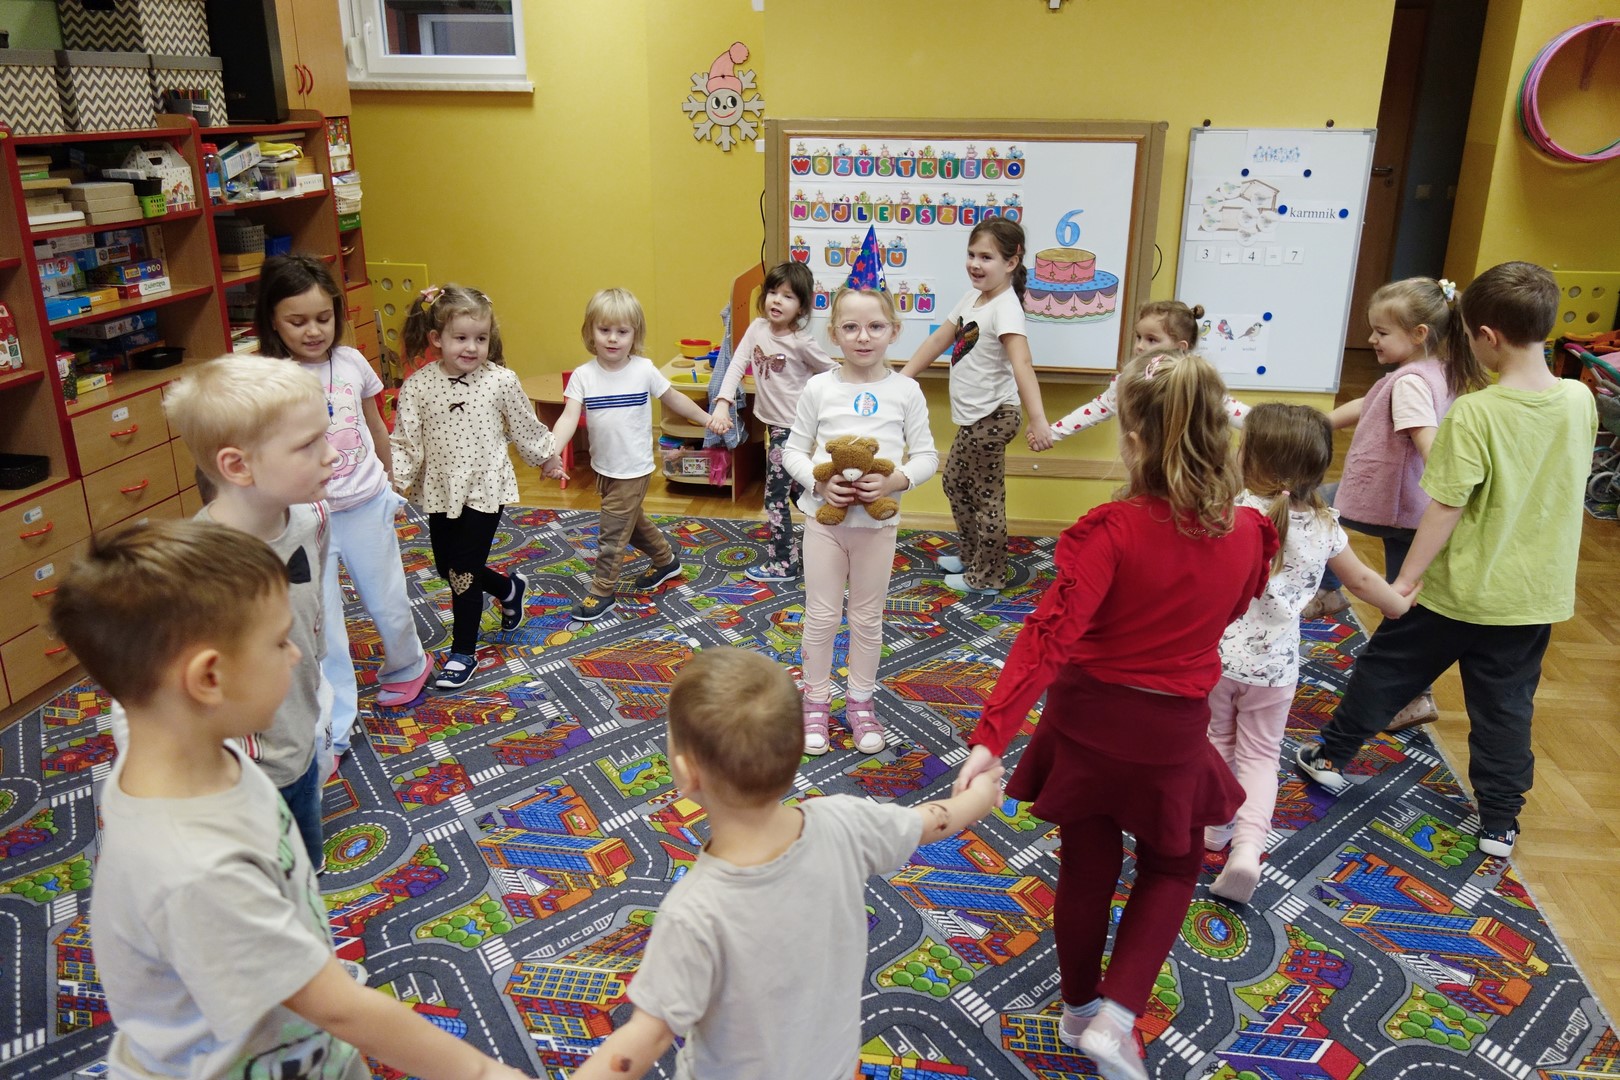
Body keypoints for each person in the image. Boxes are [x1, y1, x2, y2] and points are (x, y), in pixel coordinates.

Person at [56, 520, 530, 1080]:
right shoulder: (196, 871)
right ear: (209, 679)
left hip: (287, 1028)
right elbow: (338, 1008)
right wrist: (485, 1074)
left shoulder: (182, 741)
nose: (298, 655)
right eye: (280, 642)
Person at [952, 350, 1277, 1080]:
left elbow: (1048, 635)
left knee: (1087, 864)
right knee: (1174, 864)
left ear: (1132, 441)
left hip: (1083, 725)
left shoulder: (1110, 529)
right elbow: (1233, 610)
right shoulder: (1250, 533)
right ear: (1220, 434)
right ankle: (1118, 1016)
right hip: (1169, 734)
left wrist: (991, 736)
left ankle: (1076, 1009)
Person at [569, 647, 1005, 1080]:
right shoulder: (844, 821)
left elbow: (647, 1037)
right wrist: (979, 798)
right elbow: (927, 822)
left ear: (686, 773)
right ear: (797, 753)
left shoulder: (693, 913)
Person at [1296, 261, 1598, 859]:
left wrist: (1404, 582)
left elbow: (1446, 505)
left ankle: (1329, 755)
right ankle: (1500, 823)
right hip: (1532, 597)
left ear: (1486, 336)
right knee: (1506, 707)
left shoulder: (1476, 412)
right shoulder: (1579, 398)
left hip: (1455, 589)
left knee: (1386, 669)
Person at [1204, 404, 1412, 904]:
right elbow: (1362, 581)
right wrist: (1398, 603)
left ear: (1249, 459)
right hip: (1275, 670)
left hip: (1217, 660)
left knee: (1216, 740)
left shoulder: (1230, 512)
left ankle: (1214, 827)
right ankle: (1248, 849)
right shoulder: (1324, 525)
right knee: (1260, 756)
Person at [163, 356, 338, 867]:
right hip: (243, 769)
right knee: (259, 878)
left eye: (325, 436)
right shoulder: (197, 567)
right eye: (308, 445)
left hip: (301, 732)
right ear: (238, 466)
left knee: (305, 867)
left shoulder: (313, 516)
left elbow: (312, 600)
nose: (331, 455)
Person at [257, 254, 433, 751]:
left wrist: (393, 481)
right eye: (297, 321)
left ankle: (409, 665)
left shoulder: (352, 362)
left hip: (365, 504)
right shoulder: (269, 377)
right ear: (272, 320)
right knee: (323, 623)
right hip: (304, 516)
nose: (314, 331)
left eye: (323, 318)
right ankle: (333, 723)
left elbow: (375, 424)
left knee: (387, 600)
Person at [1303, 277, 1485, 730]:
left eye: (1381, 332)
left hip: (1394, 503)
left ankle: (1329, 593)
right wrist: (1317, 424)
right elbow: (1367, 403)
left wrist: (1449, 485)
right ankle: (1329, 592)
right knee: (1325, 513)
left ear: (1419, 333)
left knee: (1316, 512)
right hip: (1404, 504)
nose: (1371, 339)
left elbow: (1429, 443)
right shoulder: (1436, 370)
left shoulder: (1411, 383)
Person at [782, 281, 937, 755]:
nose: (863, 337)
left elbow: (927, 456)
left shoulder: (906, 391)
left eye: (875, 326)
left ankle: (860, 704)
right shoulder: (819, 387)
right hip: (824, 525)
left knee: (868, 619)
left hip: (877, 528)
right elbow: (793, 450)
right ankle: (815, 704)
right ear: (833, 333)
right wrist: (818, 485)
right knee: (821, 617)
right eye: (850, 327)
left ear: (894, 331)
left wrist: (895, 482)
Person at [393, 284, 565, 689]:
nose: (471, 347)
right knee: (446, 567)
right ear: (437, 338)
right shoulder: (418, 386)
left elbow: (524, 425)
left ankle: (463, 652)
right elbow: (405, 441)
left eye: (481, 338)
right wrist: (394, 484)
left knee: (463, 571)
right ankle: (509, 588)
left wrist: (548, 457)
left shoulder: (500, 380)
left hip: (486, 486)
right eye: (461, 338)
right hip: (441, 488)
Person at [899, 218, 1051, 594]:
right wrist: (904, 378)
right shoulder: (973, 298)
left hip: (995, 416)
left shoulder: (1005, 308)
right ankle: (973, 557)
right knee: (955, 483)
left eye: (986, 257)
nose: (975, 264)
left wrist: (1038, 419)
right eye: (971, 254)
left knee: (986, 498)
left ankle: (988, 575)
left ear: (1011, 262)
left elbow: (1023, 363)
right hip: (975, 418)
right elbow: (939, 339)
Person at [547, 287, 714, 622]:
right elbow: (568, 417)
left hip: (633, 469)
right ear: (589, 331)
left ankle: (602, 591)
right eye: (604, 330)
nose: (613, 338)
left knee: (612, 534)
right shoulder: (583, 376)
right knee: (630, 522)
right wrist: (550, 451)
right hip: (603, 468)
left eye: (622, 331)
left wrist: (707, 419)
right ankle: (666, 560)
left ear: (635, 334)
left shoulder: (643, 370)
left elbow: (675, 399)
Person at [707, 260, 838, 581]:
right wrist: (722, 404)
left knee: (774, 497)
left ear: (802, 307)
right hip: (773, 426)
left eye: (788, 296)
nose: (777, 300)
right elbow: (736, 365)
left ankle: (783, 562)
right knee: (798, 492)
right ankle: (835, 539)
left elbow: (834, 372)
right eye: (773, 293)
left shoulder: (801, 342)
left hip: (792, 431)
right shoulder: (757, 328)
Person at [1045, 300, 1249, 439]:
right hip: (1147, 469)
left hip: (1191, 473)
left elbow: (1240, 414)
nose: (1140, 346)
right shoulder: (1129, 381)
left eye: (1152, 339)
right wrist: (1051, 432)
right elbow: (1097, 408)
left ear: (1180, 348)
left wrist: (1266, 430)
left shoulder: (1197, 380)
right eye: (1138, 337)